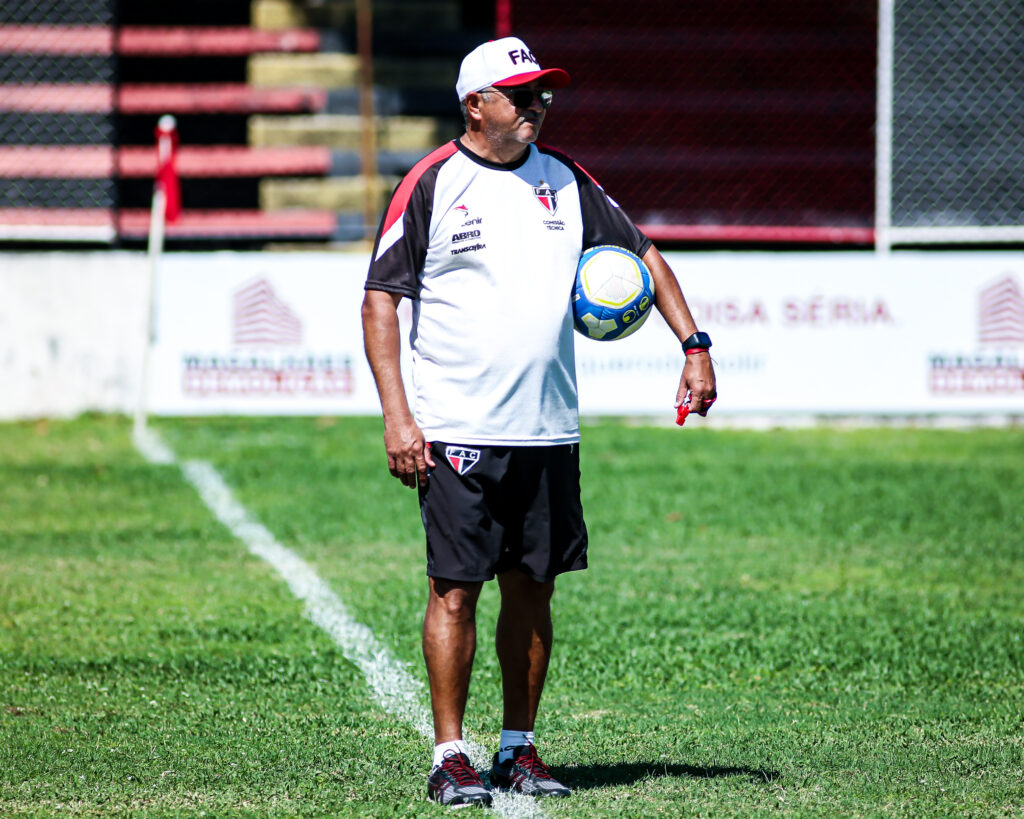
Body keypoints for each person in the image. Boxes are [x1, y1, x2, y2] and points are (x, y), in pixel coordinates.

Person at [361, 35, 716, 808]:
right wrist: (398, 414)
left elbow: (646, 256)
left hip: (548, 429)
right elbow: (380, 297)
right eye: (521, 96)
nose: (536, 108)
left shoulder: (567, 180)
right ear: (475, 104)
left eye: (543, 95)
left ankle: (517, 749)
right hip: (458, 427)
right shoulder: (431, 182)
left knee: (534, 589)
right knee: (454, 590)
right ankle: (451, 754)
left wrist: (693, 345)